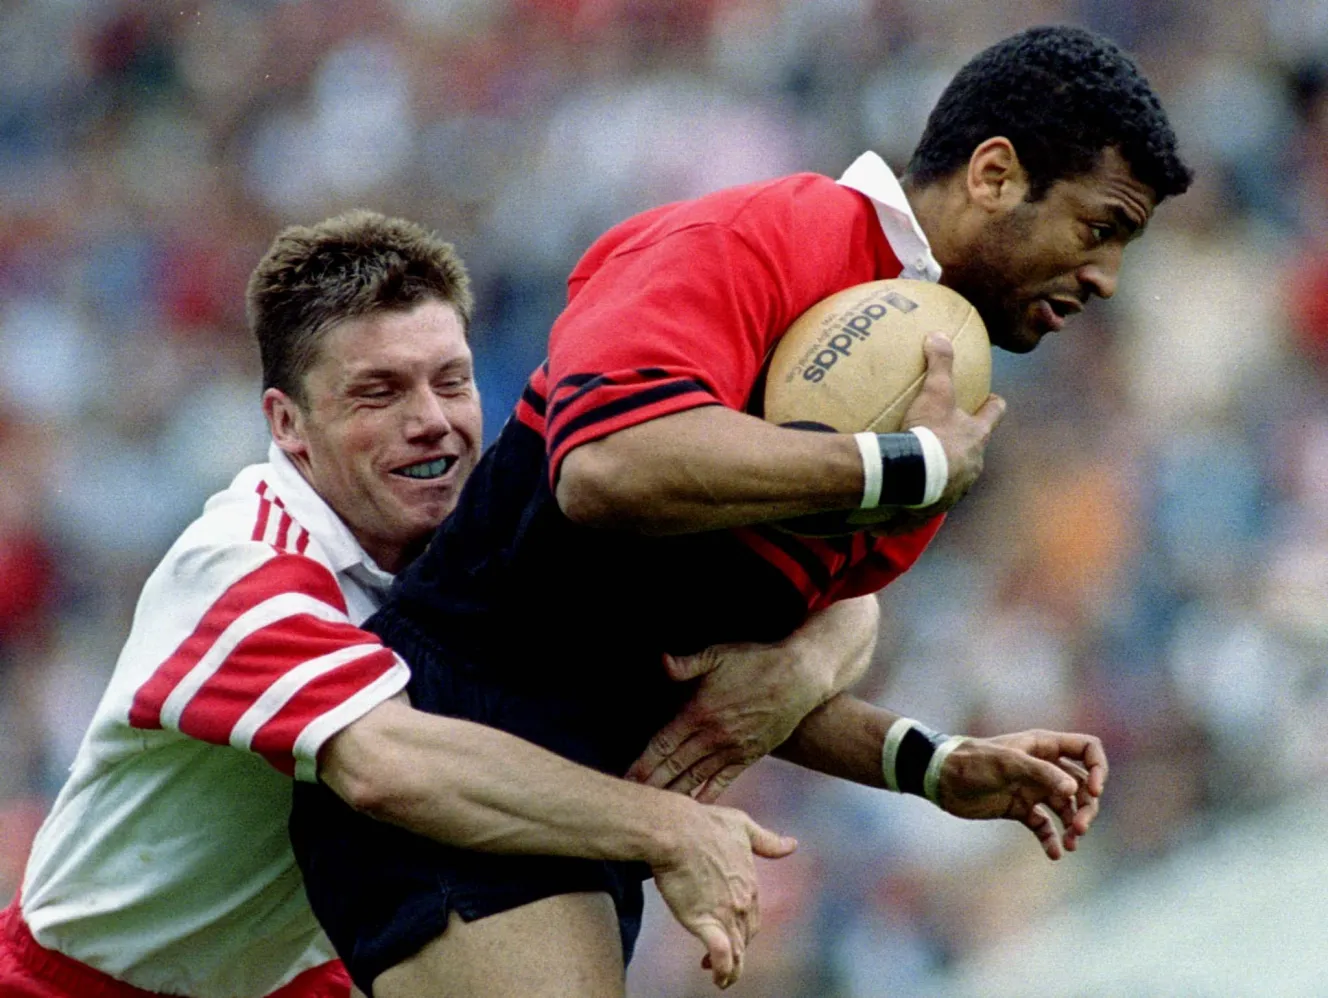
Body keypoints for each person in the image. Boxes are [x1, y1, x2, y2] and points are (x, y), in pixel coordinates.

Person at [290, 23, 1194, 998]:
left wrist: (928, 761)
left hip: (572, 811)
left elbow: (716, 682)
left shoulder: (934, 409)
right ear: (991, 175)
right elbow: (599, 466)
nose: (1102, 278)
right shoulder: (764, 237)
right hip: (450, 751)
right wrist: (896, 465)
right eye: (1098, 227)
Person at [0, 210, 897, 998]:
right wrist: (672, 830)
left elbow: (802, 596)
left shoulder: (484, 529)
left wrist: (863, 706)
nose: (431, 420)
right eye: (379, 392)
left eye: (451, 381)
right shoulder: (241, 564)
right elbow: (390, 767)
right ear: (287, 425)